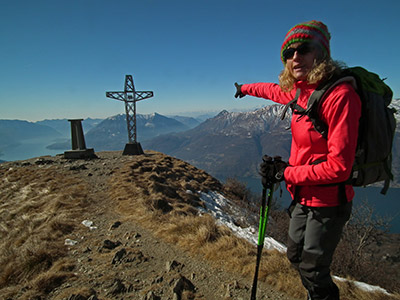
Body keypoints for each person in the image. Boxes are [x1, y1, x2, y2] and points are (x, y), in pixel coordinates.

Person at [234, 20, 361, 300]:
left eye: (303, 49)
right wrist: (244, 88)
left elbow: (340, 168)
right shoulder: (301, 92)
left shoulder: (340, 96)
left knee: (314, 270)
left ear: (320, 53)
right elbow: (271, 90)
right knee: (294, 255)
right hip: (302, 195)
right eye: (288, 54)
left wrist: (285, 174)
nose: (295, 57)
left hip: (329, 202)